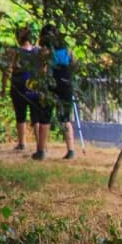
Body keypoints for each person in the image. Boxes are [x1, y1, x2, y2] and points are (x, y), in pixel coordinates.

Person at [1, 26, 42, 153]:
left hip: (18, 86)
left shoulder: (14, 52)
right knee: (36, 116)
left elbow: (6, 70)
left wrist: (3, 87)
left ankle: (21, 143)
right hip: (34, 85)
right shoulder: (38, 51)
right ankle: (40, 143)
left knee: (20, 114)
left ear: (18, 38)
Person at [40, 25, 77, 161]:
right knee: (65, 118)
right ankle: (71, 150)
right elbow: (74, 64)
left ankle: (41, 151)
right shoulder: (67, 49)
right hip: (66, 82)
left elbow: (42, 69)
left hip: (52, 84)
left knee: (45, 117)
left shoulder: (44, 50)